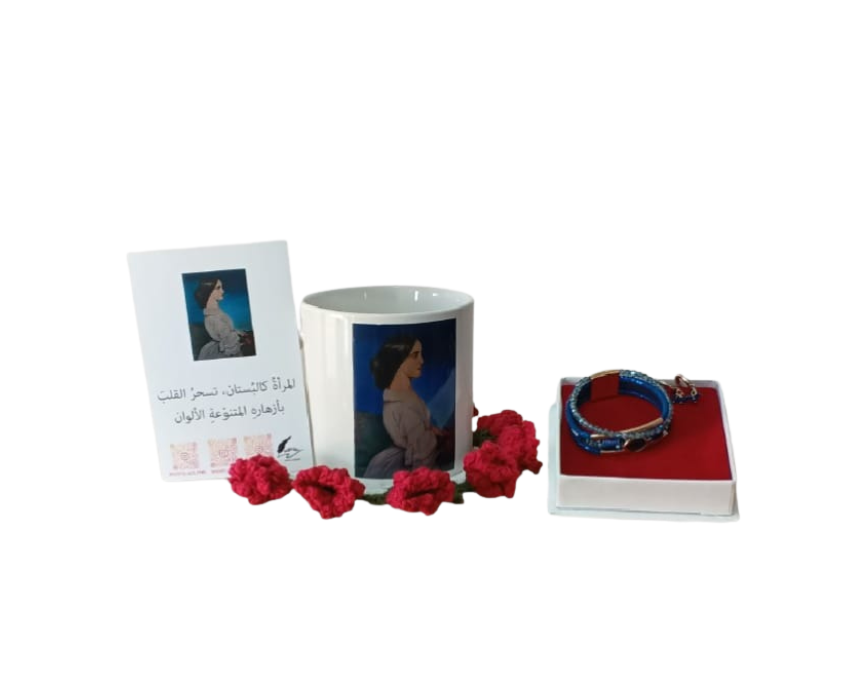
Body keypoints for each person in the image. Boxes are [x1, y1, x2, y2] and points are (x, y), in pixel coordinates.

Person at [363, 334, 446, 479]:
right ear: (398, 360)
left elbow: (417, 430)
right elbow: (421, 450)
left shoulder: (403, 394)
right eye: (415, 355)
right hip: (411, 462)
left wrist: (430, 431)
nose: (422, 360)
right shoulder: (401, 406)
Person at [193, 278, 243, 360]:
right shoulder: (212, 318)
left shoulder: (217, 312)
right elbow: (227, 339)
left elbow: (228, 332)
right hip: (220, 352)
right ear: (209, 291)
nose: (222, 291)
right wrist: (239, 338)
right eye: (218, 288)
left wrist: (238, 334)